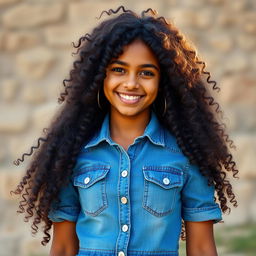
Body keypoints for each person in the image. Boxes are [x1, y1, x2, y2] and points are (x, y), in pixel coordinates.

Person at [13, 6, 239, 256]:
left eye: (146, 73)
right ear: (101, 77)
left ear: (163, 81)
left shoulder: (187, 154)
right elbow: (64, 247)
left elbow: (201, 248)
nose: (131, 83)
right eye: (119, 70)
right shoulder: (72, 154)